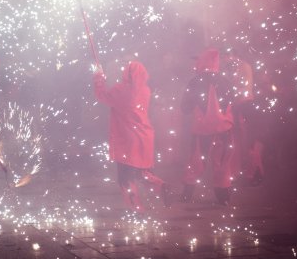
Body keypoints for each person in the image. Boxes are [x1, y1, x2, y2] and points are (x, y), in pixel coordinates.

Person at [93, 60, 171, 212]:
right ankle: (160, 185)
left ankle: (136, 208)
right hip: (145, 136)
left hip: (127, 140)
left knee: (125, 177)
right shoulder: (146, 90)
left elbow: (102, 96)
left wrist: (99, 77)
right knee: (142, 172)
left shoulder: (121, 90)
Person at [181, 48, 235, 205]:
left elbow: (185, 107)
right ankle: (223, 196)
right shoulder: (225, 81)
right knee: (223, 162)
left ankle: (187, 193)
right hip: (225, 129)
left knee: (197, 161)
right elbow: (233, 101)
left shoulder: (195, 81)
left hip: (203, 130)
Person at [223, 48, 264, 186]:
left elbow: (244, 88)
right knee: (239, 140)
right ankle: (244, 172)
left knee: (247, 140)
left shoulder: (243, 66)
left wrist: (230, 92)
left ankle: (254, 172)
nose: (226, 59)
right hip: (238, 106)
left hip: (244, 105)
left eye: (227, 56)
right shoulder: (234, 67)